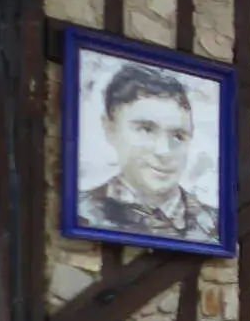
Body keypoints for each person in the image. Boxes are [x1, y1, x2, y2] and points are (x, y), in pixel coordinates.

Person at [77, 63, 218, 244]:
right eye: (146, 129)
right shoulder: (80, 211)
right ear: (110, 129)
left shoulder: (216, 225)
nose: (164, 151)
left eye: (178, 136)